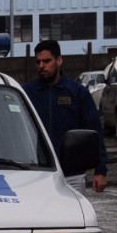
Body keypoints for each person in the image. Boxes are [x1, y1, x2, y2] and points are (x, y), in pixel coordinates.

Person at [23, 39, 108, 193]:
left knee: (74, 217)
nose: (41, 66)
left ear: (59, 60)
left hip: (72, 175)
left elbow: (94, 131)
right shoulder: (27, 93)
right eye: (38, 62)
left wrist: (100, 170)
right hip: (35, 173)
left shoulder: (77, 92)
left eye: (47, 61)